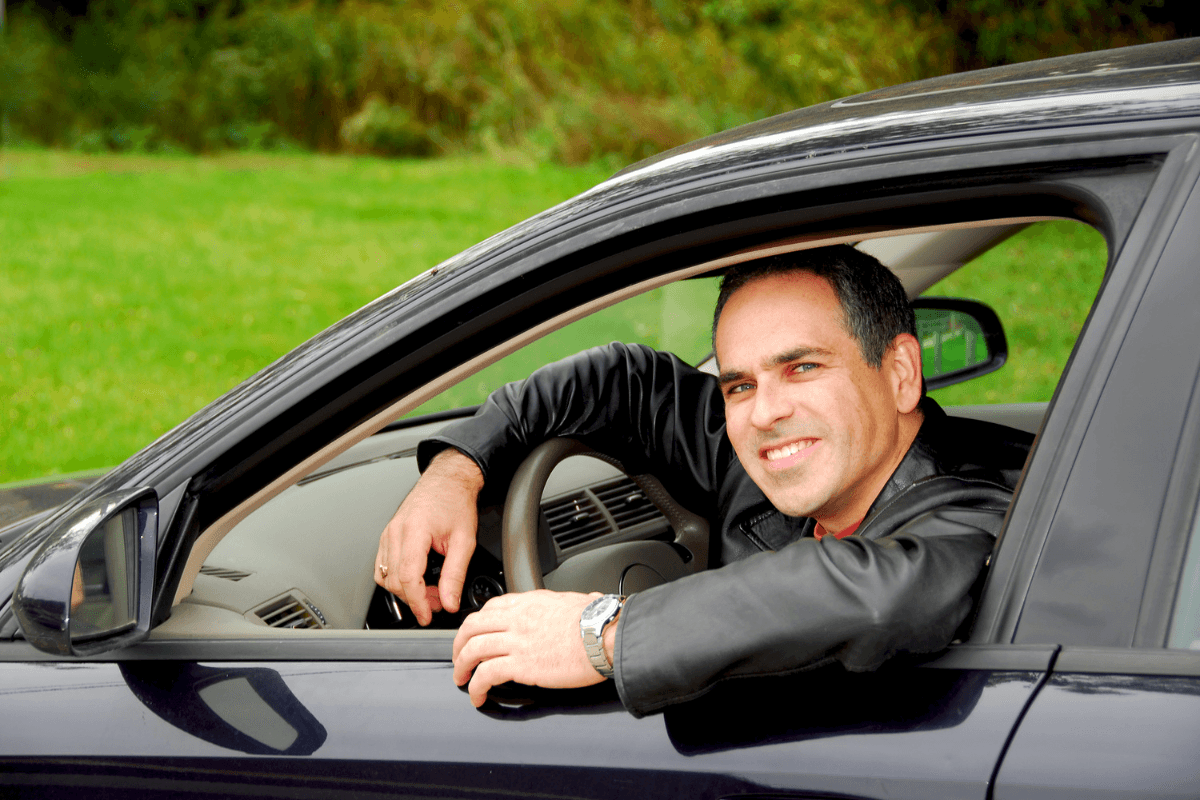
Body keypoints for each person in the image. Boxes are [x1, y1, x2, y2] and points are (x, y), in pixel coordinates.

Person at [375, 245, 1033, 717]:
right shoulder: (757, 454)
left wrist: (606, 633)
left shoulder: (997, 498)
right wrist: (457, 468)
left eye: (802, 368)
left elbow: (877, 591)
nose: (766, 413)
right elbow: (619, 380)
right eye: (739, 383)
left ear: (899, 374)